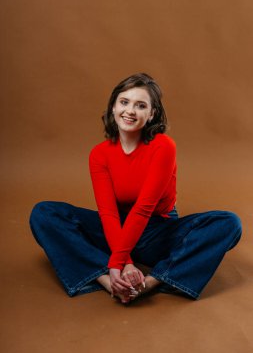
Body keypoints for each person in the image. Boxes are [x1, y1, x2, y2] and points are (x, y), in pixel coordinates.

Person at [30, 73, 242, 304]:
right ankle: (103, 280)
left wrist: (120, 262)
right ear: (113, 107)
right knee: (44, 213)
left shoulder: (163, 146)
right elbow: (108, 213)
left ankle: (151, 282)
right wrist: (120, 266)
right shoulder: (99, 154)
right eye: (124, 102)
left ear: (151, 115)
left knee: (228, 223)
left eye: (140, 105)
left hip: (156, 231)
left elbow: (143, 208)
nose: (130, 111)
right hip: (115, 230)